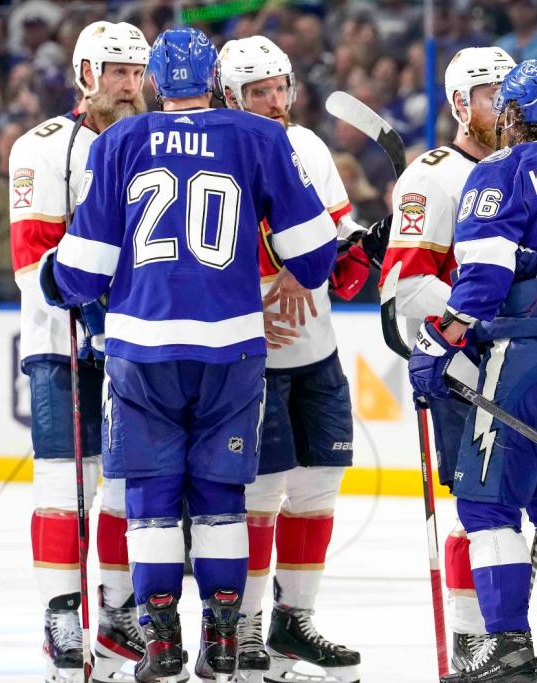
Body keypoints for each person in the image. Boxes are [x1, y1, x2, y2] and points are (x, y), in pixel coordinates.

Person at [38, 27, 335, 683]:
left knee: (149, 495)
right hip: (232, 349)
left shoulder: (118, 141)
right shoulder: (259, 138)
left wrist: (49, 282)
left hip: (142, 351)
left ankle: (163, 642)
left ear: (152, 83)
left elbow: (82, 274)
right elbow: (316, 257)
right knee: (222, 495)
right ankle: (224, 641)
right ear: (215, 82)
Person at [408, 59, 537, 683]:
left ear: (510, 115)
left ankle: (506, 645)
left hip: (524, 358)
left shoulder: (500, 168)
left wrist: (437, 342)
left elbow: (483, 279)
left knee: (487, 509)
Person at [216, 35, 367, 683]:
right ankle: (244, 632)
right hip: (250, 354)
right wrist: (278, 277)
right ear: (230, 97)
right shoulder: (221, 155)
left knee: (318, 484)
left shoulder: (306, 146)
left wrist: (367, 247)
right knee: (258, 494)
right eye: (259, 92)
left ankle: (292, 622)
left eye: (282, 87)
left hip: (317, 349)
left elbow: (341, 249)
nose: (276, 102)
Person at [7, 20, 152, 683]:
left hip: (134, 348)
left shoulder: (153, 145)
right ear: (87, 74)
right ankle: (62, 617)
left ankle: (119, 615)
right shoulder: (42, 147)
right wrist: (90, 308)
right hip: (61, 346)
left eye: (136, 71)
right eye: (117, 71)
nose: (130, 84)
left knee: (126, 490)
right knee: (63, 488)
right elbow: (31, 263)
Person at [378, 44, 516, 673]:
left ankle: (507, 634)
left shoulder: (529, 165)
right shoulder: (433, 175)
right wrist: (484, 317)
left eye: (510, 92)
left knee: (518, 510)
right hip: (467, 365)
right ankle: (469, 637)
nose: (505, 105)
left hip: (526, 363)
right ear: (461, 104)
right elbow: (405, 285)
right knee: (478, 507)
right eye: (491, 94)